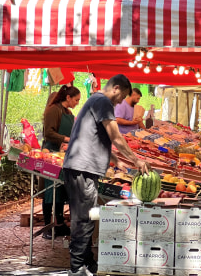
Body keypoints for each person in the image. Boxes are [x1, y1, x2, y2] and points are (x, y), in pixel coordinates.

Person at [62, 74, 148, 276]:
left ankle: (88, 263)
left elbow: (92, 135)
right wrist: (136, 160)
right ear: (116, 89)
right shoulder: (103, 101)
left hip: (81, 167)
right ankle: (76, 269)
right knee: (83, 219)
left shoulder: (94, 100)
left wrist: (114, 159)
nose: (121, 101)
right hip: (82, 168)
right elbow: (115, 136)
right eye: (122, 96)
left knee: (87, 217)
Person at [41, 85, 81, 240]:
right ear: (68, 98)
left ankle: (59, 224)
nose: (77, 102)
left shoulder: (68, 112)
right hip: (50, 154)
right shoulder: (53, 110)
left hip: (63, 154)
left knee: (61, 189)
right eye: (76, 99)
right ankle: (46, 226)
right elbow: (49, 133)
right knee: (51, 190)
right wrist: (66, 139)